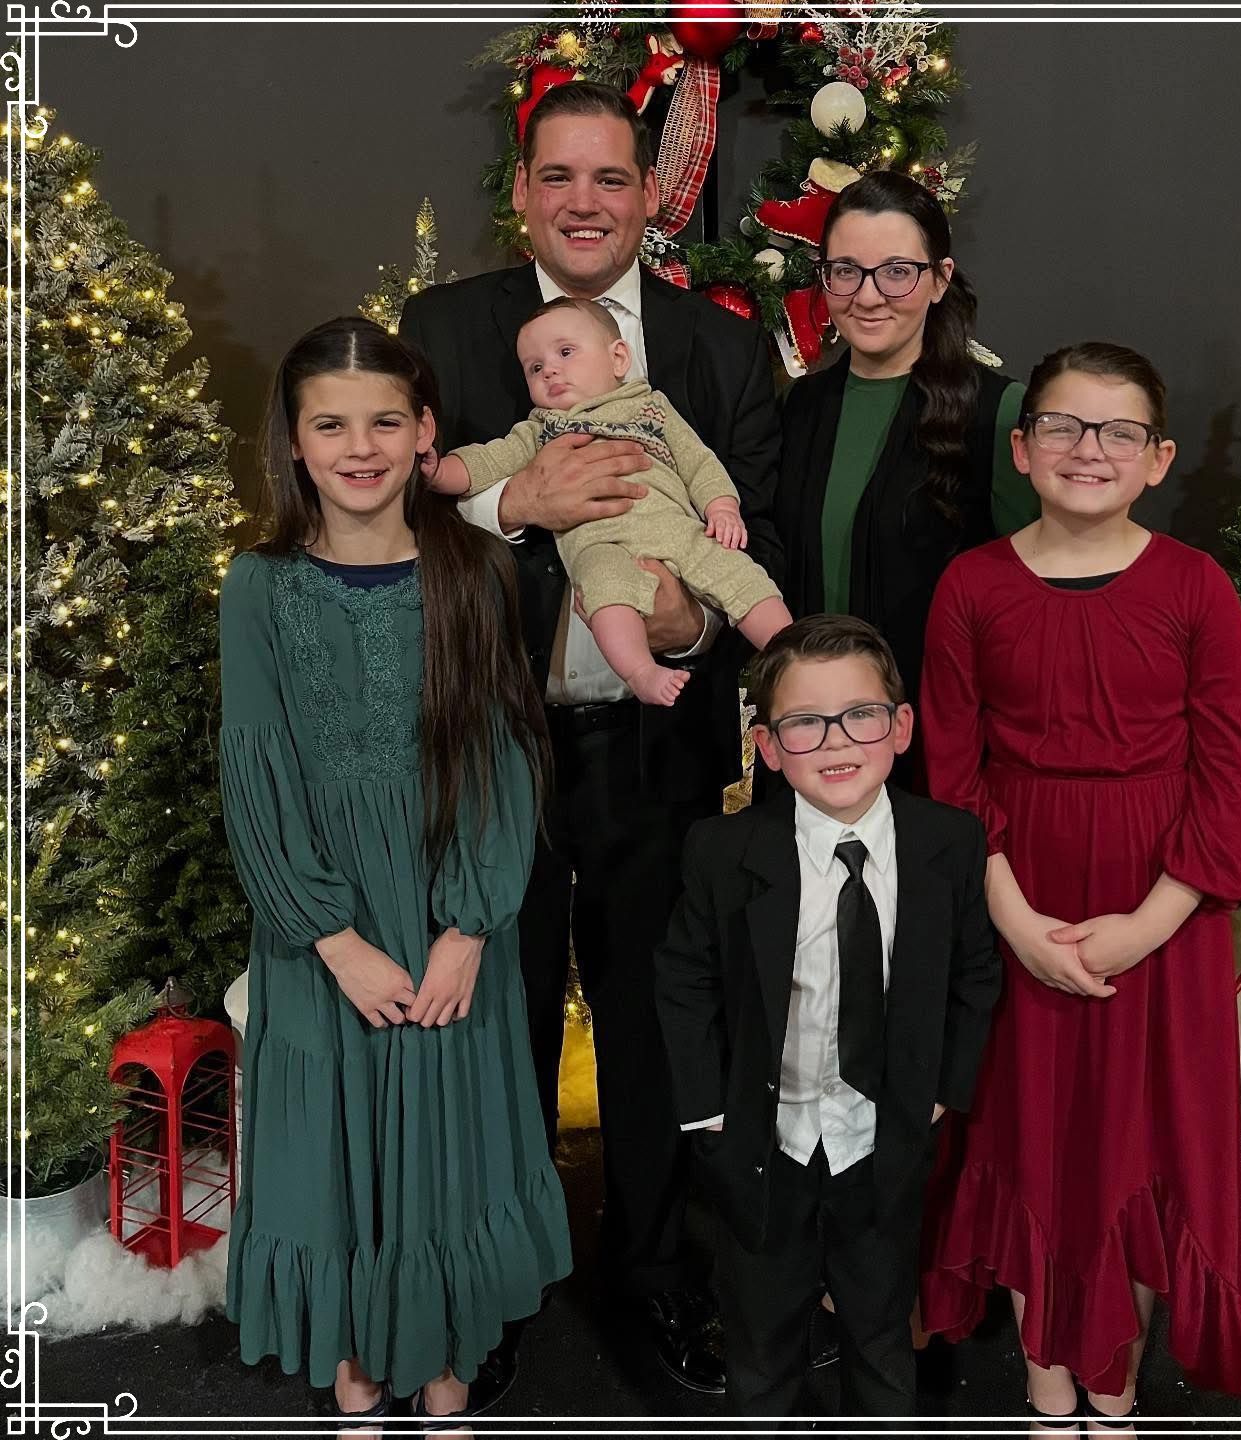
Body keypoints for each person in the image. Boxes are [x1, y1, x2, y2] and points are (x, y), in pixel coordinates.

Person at [400, 79, 782, 1392]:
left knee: (654, 1025)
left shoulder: (719, 351)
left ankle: (655, 1272)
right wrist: (516, 503)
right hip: (488, 749)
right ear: (520, 191)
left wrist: (682, 622)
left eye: (609, 178)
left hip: (652, 753)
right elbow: (381, 513)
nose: (582, 202)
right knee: (492, 1021)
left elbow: (758, 537)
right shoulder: (444, 331)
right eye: (557, 176)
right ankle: (494, 1278)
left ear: (648, 195)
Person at [219, 317, 571, 1430]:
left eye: (383, 421)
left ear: (425, 432)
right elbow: (257, 769)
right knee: (334, 1132)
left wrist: (468, 926)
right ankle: (361, 1362)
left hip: (447, 900)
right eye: (330, 423)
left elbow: (503, 756)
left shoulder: (478, 570)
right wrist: (331, 935)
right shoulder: (260, 588)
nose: (358, 446)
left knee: (449, 1133)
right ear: (293, 442)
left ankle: (450, 1353)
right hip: (323, 926)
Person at [917, 343, 1241, 1433]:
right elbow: (953, 766)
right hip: (1021, 892)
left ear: (1156, 459)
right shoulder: (971, 585)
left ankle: (1114, 1374)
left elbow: (1233, 771)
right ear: (1022, 449)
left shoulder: (1194, 586)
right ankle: (1044, 1370)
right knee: (1033, 1137)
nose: (1089, 450)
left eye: (1119, 432)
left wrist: (1150, 924)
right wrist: (1015, 917)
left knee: (1143, 1138)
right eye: (1064, 427)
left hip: (1158, 910)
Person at [655, 615, 1003, 1416]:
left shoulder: (947, 843)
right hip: (761, 1144)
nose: (837, 740)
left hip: (880, 1139)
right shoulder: (722, 849)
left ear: (901, 726)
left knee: (881, 1336)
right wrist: (707, 1112)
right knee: (760, 1340)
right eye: (804, 723)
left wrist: (943, 1088)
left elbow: (975, 973)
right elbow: (683, 981)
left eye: (861, 714)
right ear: (769, 745)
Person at [774, 171, 1038, 777]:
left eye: (896, 271)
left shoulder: (995, 411)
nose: (867, 296)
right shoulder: (802, 406)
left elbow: (1027, 604)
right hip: (810, 734)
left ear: (939, 279)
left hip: (937, 741)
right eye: (846, 270)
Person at [429, 296, 791, 705]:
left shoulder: (650, 409)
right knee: (605, 592)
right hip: (600, 545)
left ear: (618, 358)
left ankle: (791, 653)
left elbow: (698, 462)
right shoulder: (539, 430)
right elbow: (486, 460)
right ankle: (641, 671)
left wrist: (721, 506)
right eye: (534, 367)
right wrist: (439, 472)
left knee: (738, 573)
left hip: (676, 528)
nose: (549, 369)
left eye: (565, 352)